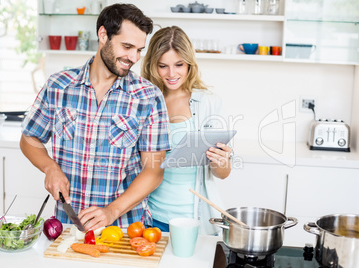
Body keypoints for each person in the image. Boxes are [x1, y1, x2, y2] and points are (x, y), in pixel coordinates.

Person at [20, 4, 171, 231]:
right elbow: (29, 140)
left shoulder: (148, 97)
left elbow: (154, 171)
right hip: (67, 226)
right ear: (103, 35)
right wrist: (50, 168)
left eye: (139, 49)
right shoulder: (59, 86)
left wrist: (112, 211)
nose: (134, 57)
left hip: (124, 229)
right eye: (127, 46)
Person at [141, 26, 233, 235]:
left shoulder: (209, 103)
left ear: (190, 64)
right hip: (150, 217)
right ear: (152, 65)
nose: (171, 74)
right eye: (163, 66)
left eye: (179, 65)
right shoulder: (144, 101)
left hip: (194, 221)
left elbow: (223, 173)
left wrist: (221, 162)